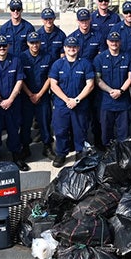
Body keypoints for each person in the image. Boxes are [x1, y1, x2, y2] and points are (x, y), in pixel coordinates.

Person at [47, 35, 96, 166]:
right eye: (69, 47)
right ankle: (61, 154)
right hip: (62, 104)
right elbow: (53, 84)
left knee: (80, 129)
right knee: (60, 130)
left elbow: (90, 84)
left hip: (80, 104)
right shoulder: (58, 64)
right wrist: (67, 100)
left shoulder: (85, 64)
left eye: (74, 47)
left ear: (78, 48)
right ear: (65, 48)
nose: (71, 49)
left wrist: (77, 100)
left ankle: (80, 151)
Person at [0, 36, 30, 169]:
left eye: (4, 46)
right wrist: (0, 100)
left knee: (14, 130)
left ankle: (16, 156)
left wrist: (10, 99)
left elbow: (19, 81)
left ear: (8, 46)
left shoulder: (16, 61)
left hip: (13, 103)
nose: (2, 48)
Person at [93, 30, 131, 149]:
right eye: (111, 41)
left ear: (120, 42)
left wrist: (120, 91)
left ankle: (123, 157)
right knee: (106, 131)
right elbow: (98, 79)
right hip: (106, 101)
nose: (114, 43)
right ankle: (108, 155)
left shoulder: (128, 57)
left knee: (124, 132)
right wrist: (111, 91)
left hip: (123, 101)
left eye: (116, 41)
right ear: (107, 42)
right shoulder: (99, 58)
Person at [18, 31, 55, 158]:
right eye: (32, 43)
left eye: (37, 42)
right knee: (26, 123)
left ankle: (47, 146)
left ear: (40, 42)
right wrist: (30, 94)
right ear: (28, 43)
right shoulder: (22, 58)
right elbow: (20, 79)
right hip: (26, 96)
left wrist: (39, 94)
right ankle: (25, 147)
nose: (35, 45)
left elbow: (50, 78)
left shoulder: (47, 57)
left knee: (45, 122)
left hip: (42, 95)